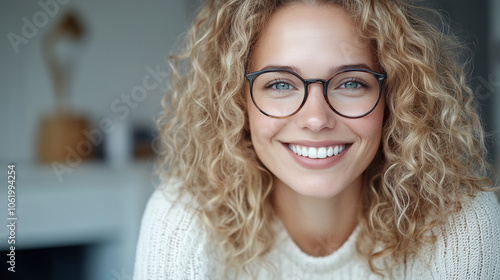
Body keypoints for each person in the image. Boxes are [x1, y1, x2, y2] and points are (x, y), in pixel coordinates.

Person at [133, 0, 500, 279]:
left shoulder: (460, 223)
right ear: (237, 104)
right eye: (279, 84)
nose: (315, 119)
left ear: (396, 99)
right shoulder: (183, 219)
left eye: (351, 82)